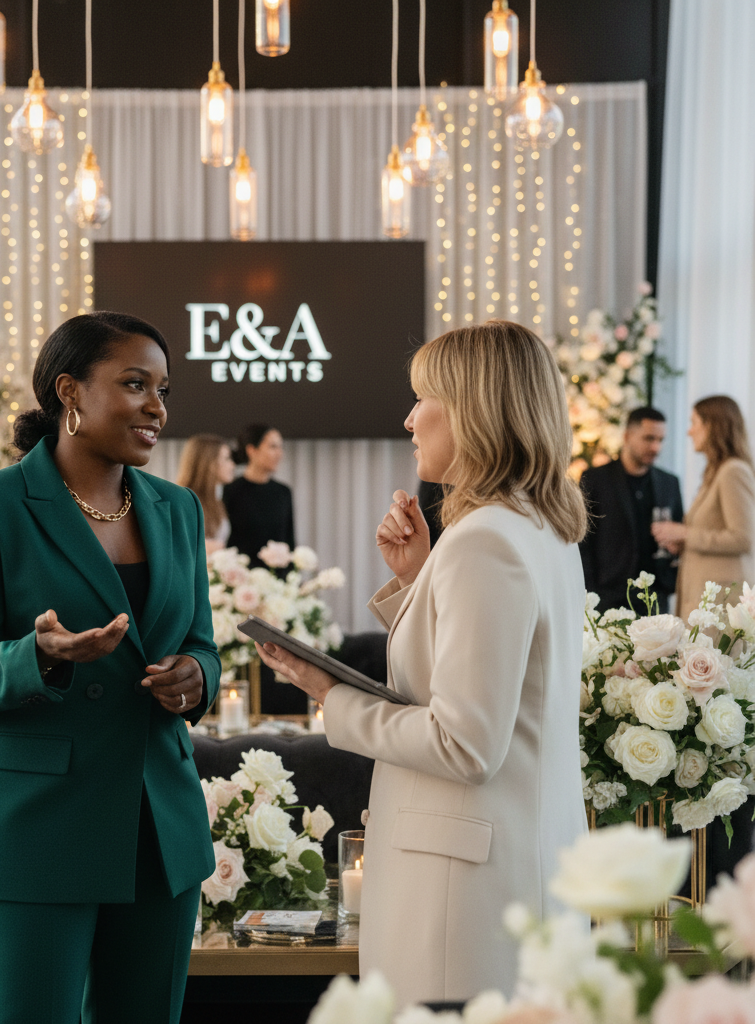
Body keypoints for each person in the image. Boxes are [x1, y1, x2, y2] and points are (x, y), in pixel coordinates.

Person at [253, 321, 588, 1005]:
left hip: (462, 899)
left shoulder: (485, 541)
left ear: (472, 410)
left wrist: (332, 696)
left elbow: (465, 743)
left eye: (422, 399)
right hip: (513, 869)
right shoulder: (537, 526)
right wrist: (418, 577)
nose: (408, 419)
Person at [0, 311, 220, 1024]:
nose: (156, 407)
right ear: (69, 392)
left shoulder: (178, 509)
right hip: (34, 832)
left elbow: (202, 644)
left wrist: (195, 677)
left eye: (163, 390)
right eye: (135, 384)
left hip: (158, 831)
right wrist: (39, 657)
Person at [652, 395, 755, 623]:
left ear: (712, 426)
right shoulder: (715, 472)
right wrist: (683, 542)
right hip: (705, 600)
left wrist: (685, 534)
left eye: (694, 423)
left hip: (721, 606)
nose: (689, 432)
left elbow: (743, 538)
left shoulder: (733, 471)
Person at [579, 406, 684, 613]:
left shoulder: (669, 482)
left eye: (660, 440)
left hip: (655, 596)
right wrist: (590, 591)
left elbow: (678, 535)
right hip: (608, 595)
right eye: (649, 438)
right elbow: (583, 541)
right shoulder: (595, 479)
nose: (656, 447)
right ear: (627, 436)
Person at [223, 424, 294, 568]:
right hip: (240, 575)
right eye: (273, 447)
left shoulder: (283, 492)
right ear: (252, 450)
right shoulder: (231, 490)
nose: (279, 454)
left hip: (278, 576)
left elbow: (289, 541)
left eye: (280, 447)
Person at [175, 433, 235, 553]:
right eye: (227, 458)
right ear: (209, 463)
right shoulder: (185, 500)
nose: (232, 465)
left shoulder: (216, 499)